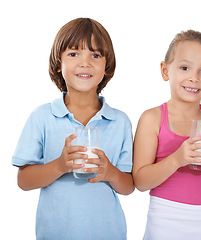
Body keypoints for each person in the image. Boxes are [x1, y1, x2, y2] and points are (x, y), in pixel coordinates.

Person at [12, 18, 134, 240]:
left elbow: (128, 186)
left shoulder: (120, 121)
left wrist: (110, 172)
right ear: (59, 63)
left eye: (95, 55)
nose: (85, 63)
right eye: (74, 53)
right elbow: (23, 181)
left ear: (106, 67)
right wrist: (60, 165)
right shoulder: (42, 117)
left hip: (108, 233)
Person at [133, 30, 201, 240]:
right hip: (166, 217)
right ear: (165, 70)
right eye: (184, 68)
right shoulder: (152, 118)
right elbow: (140, 181)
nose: (193, 78)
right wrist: (178, 159)